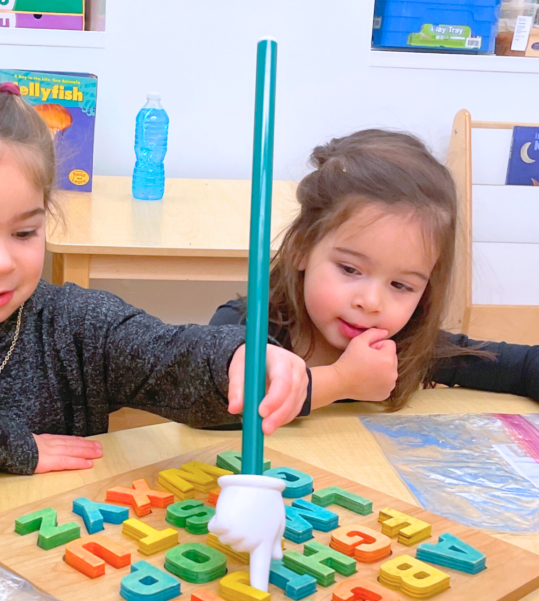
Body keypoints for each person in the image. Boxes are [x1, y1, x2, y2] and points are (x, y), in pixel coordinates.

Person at [0, 77, 308, 500]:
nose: (1, 263)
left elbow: (168, 357)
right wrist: (7, 445)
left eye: (24, 232)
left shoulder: (76, 324)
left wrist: (236, 359)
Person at [211, 129, 539, 413]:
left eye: (400, 285)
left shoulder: (410, 346)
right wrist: (340, 381)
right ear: (301, 248)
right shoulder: (243, 325)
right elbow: (214, 398)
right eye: (350, 269)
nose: (370, 302)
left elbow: (525, 367)